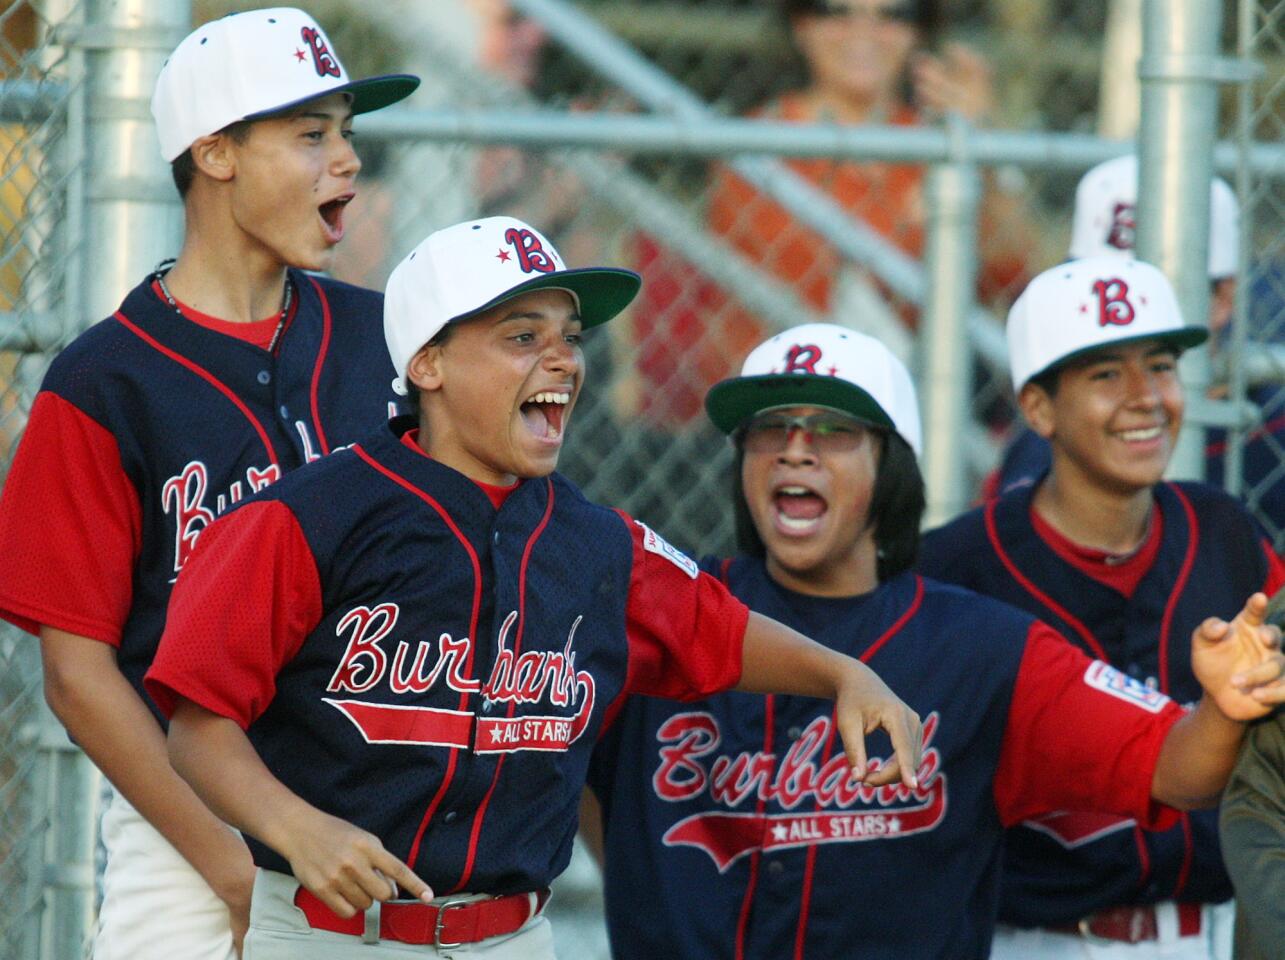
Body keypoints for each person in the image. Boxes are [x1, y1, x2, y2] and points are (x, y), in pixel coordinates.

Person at [141, 217, 923, 959]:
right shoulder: (306, 518)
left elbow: (715, 629)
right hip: (332, 937)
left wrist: (841, 675)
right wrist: (293, 825)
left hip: (513, 938)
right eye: (522, 338)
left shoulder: (596, 542)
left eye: (570, 338)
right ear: (429, 365)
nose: (562, 360)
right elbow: (198, 723)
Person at [582, 321, 1284, 960]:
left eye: (831, 431)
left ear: (892, 465)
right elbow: (562, 763)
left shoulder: (981, 644)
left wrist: (1222, 705)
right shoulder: (660, 606)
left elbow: (1172, 767)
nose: (795, 451)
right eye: (770, 431)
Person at [0, 9, 419, 958]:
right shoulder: (106, 380)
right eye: (311, 135)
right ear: (216, 153)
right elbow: (77, 676)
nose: (346, 159)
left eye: (347, 132)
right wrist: (230, 865)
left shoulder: (389, 343)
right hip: (188, 834)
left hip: (378, 810)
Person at [919, 256, 1285, 958]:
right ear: (1037, 409)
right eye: (1104, 375)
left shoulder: (1222, 531)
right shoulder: (956, 569)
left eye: (1158, 366)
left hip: (1210, 929)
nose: (1145, 397)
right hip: (1029, 939)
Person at [626, 0, 1033, 431]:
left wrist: (984, 145)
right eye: (836, 12)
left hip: (913, 407)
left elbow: (1012, 272)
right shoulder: (759, 144)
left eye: (893, 15)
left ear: (919, 32)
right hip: (785, 399)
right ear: (801, 24)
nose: (865, 31)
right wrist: (919, 224)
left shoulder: (940, 141)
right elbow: (811, 283)